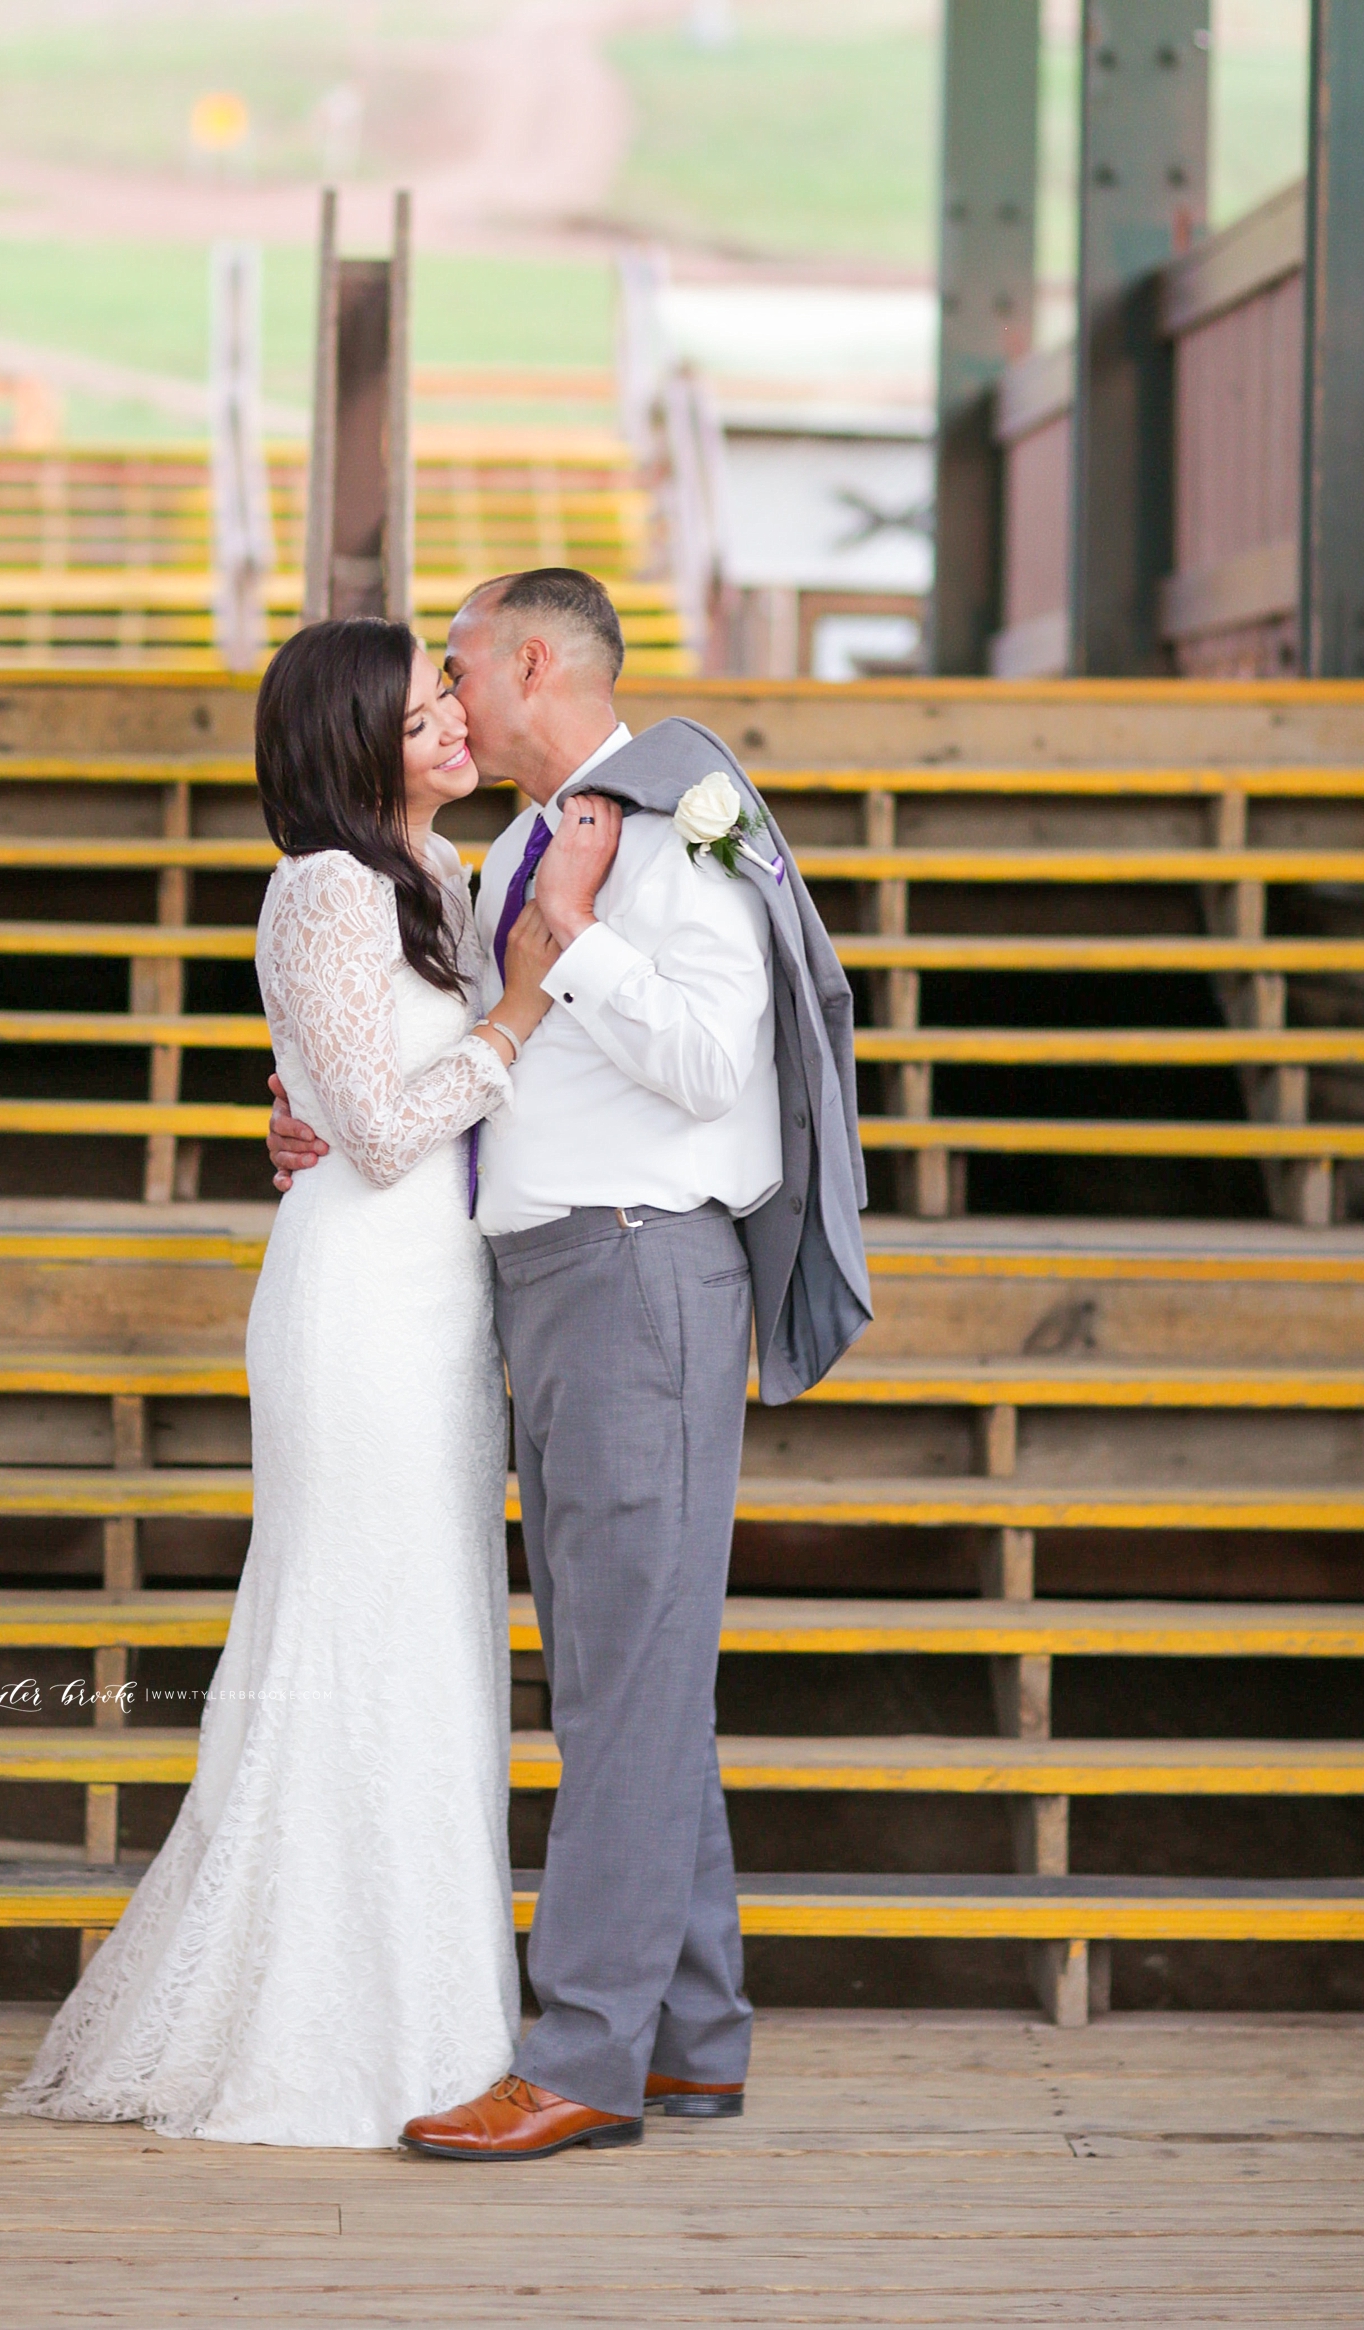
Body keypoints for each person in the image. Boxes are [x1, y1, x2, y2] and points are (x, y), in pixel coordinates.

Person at [269, 566, 870, 2162]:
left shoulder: (667, 826)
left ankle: (589, 2054)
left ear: (532, 659)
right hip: (553, 1277)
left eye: (459, 668)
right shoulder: (539, 835)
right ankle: (691, 2032)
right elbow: (468, 1049)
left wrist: (576, 941)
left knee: (623, 1680)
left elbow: (707, 1058)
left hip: (632, 1266)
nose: (450, 702)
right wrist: (335, 1115)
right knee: (632, 1669)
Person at [8, 616, 562, 2147]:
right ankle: (322, 2022)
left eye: (449, 693)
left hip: (440, 1305)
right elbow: (381, 1131)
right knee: (356, 1625)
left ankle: (440, 2015)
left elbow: (364, 1092)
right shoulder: (324, 887)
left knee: (432, 1632)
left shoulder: (436, 879)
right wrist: (512, 1011)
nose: (453, 716)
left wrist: (378, 1076)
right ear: (350, 746)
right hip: (360, 1304)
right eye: (419, 709)